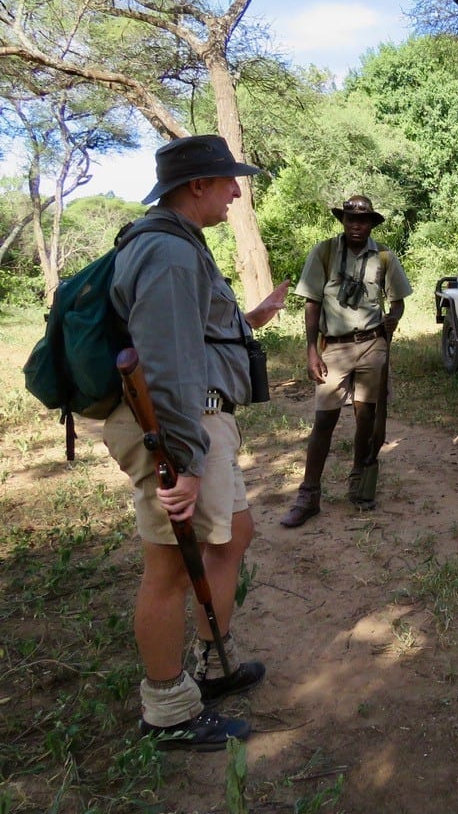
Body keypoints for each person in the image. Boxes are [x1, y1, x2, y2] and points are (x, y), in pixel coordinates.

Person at [102, 134, 289, 750]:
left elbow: (198, 335)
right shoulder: (169, 253)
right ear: (197, 186)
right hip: (181, 429)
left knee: (233, 535)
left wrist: (252, 319)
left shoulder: (178, 245)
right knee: (169, 569)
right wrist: (182, 461)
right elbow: (166, 364)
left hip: (201, 423)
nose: (236, 191)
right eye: (227, 180)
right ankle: (168, 712)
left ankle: (213, 666)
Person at [281, 196, 412, 527]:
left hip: (372, 345)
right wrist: (311, 350)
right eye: (351, 219)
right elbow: (312, 302)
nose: (356, 225)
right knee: (324, 420)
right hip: (334, 348)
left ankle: (360, 484)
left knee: (366, 419)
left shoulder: (384, 256)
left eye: (363, 220)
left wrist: (393, 319)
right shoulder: (324, 252)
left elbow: (398, 301)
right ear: (343, 220)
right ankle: (308, 496)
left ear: (371, 224)